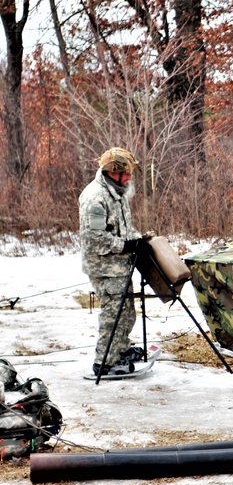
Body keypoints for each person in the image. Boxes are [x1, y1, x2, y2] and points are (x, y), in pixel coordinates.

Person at [79, 147, 151, 376]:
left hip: (120, 266)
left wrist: (138, 242)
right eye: (126, 173)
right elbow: (94, 239)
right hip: (105, 268)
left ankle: (120, 350)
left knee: (127, 312)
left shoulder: (117, 193)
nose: (129, 178)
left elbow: (124, 228)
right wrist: (125, 246)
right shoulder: (95, 198)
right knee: (113, 314)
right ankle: (105, 362)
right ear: (113, 172)